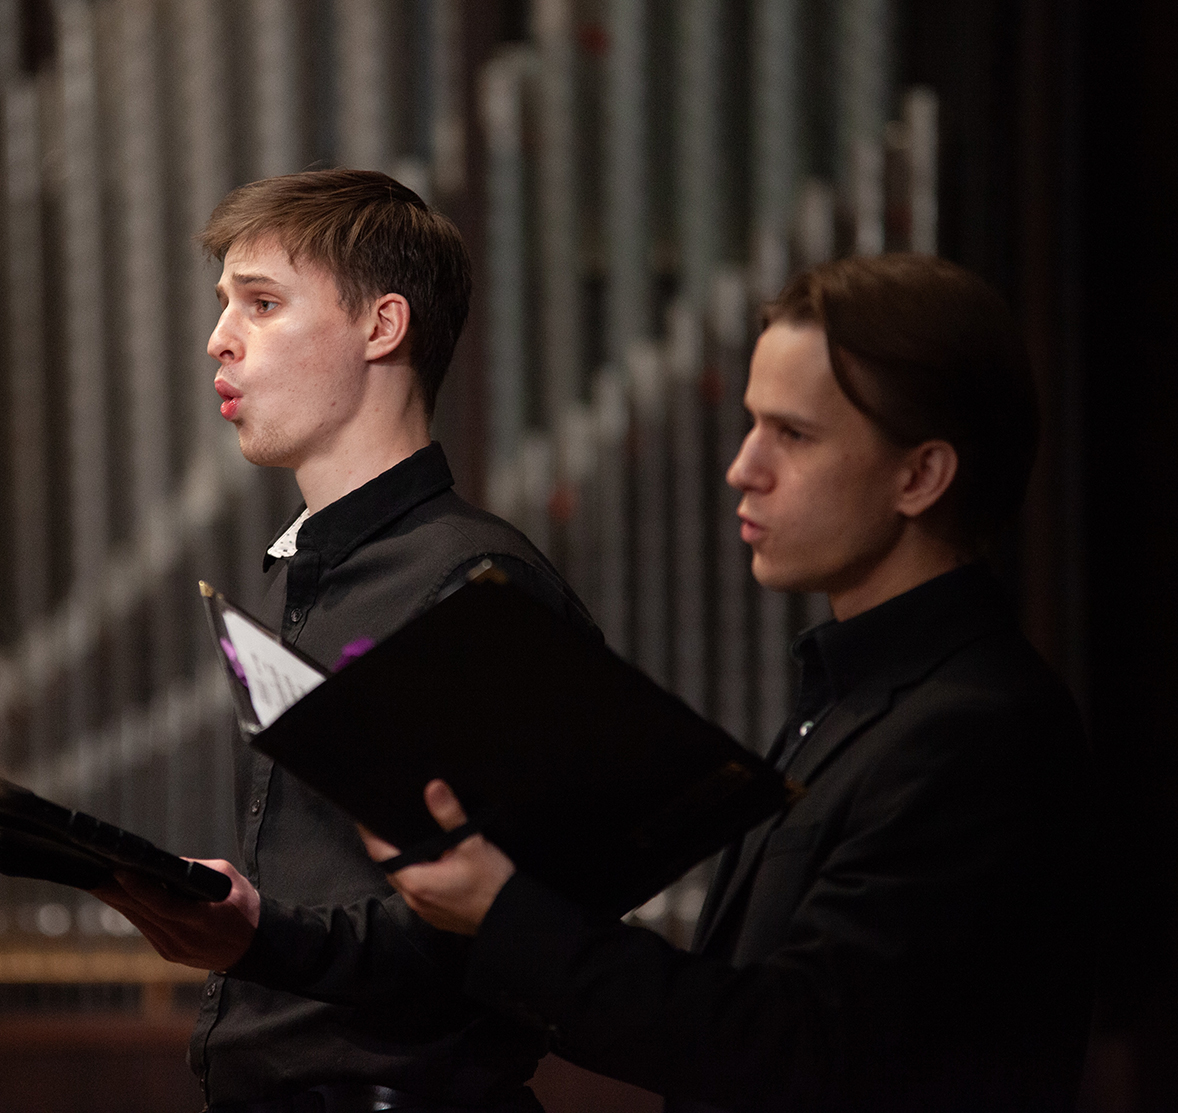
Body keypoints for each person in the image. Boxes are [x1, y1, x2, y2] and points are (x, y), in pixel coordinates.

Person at [367, 254, 1096, 1112]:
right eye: (752, 425)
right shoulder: (855, 696)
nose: (742, 467)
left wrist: (508, 914)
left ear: (920, 475)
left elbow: (793, 1048)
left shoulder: (977, 728)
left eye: (793, 434)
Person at [96, 169, 593, 1113]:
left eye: (264, 302)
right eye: (224, 305)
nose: (219, 338)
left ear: (382, 327)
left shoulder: (473, 585)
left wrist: (259, 936)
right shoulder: (303, 570)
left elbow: (499, 933)